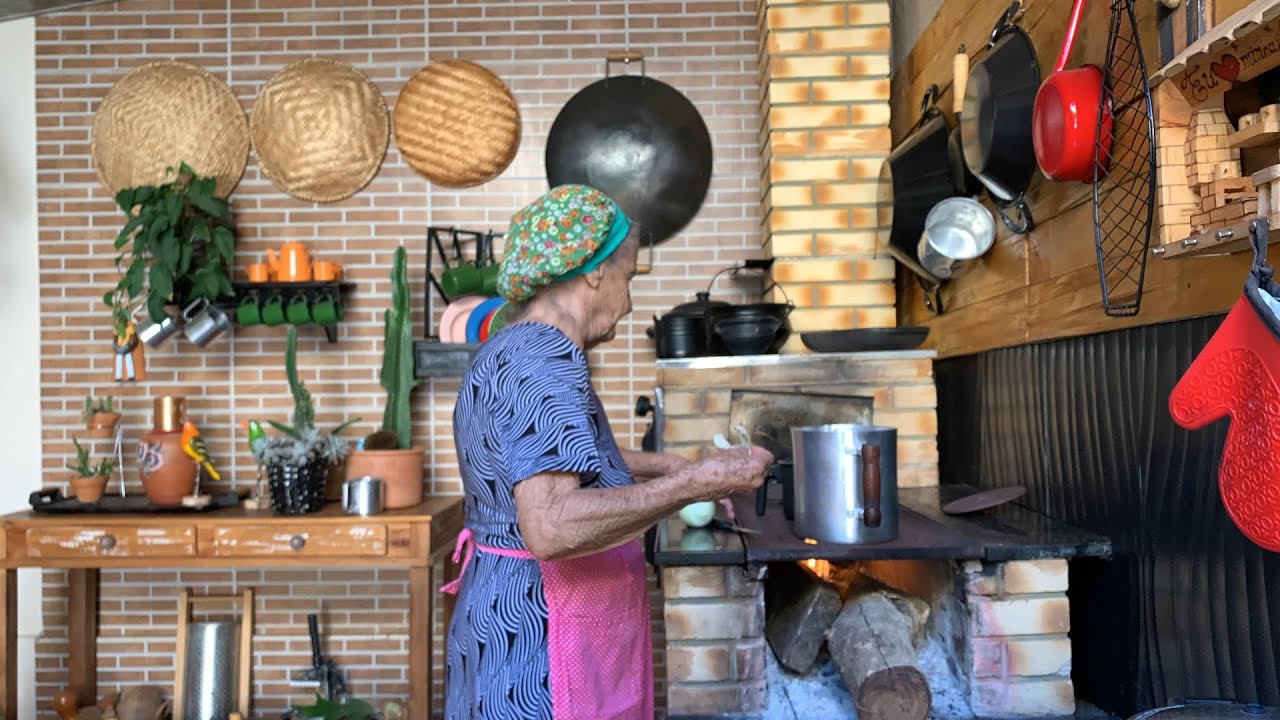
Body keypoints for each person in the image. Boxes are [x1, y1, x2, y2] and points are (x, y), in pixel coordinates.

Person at [443, 184, 774, 720]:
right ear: (594, 270)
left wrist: (667, 466)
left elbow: (549, 455)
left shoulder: (513, 345)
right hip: (542, 648)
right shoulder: (544, 355)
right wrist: (698, 485)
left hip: (503, 618)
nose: (630, 298)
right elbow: (552, 526)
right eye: (628, 276)